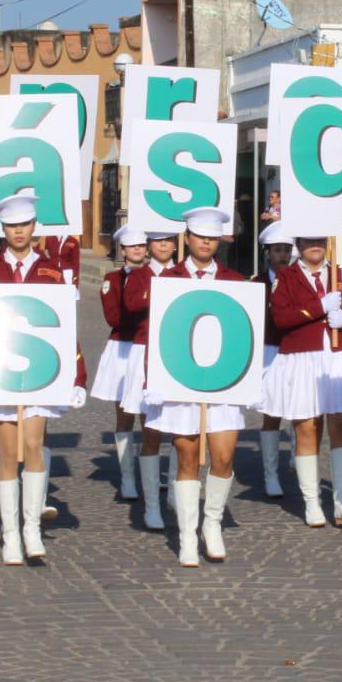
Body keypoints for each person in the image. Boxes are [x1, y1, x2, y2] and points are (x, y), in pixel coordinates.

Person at [0, 194, 87, 564]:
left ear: (34, 228)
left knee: (34, 444)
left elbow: (65, 329)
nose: (19, 231)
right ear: (3, 229)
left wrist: (78, 374)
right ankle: (10, 531)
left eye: (25, 225)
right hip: (0, 371)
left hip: (41, 372)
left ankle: (31, 528)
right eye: (12, 226)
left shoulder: (50, 272)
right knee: (8, 453)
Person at [144, 207, 247, 566]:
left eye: (213, 236)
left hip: (224, 383)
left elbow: (245, 334)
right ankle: (187, 536)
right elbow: (156, 335)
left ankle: (212, 524)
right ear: (187, 238)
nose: (206, 241)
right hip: (179, 379)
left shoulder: (235, 281)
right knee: (187, 457)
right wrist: (152, 380)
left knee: (224, 456)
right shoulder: (168, 278)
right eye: (200, 235)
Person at [266, 234, 342, 530]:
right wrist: (319, 307)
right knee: (307, 428)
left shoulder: (341, 276)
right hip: (303, 357)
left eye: (320, 240)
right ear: (299, 242)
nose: (315, 245)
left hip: (337, 356)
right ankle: (311, 502)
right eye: (309, 240)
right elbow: (281, 319)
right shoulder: (286, 277)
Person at [120, 230, 181, 530]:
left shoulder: (183, 273)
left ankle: (174, 492)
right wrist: (159, 290)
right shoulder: (139, 275)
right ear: (149, 246)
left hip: (177, 352)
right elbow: (130, 306)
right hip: (145, 351)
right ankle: (151, 505)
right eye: (158, 241)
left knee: (183, 428)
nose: (164, 246)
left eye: (169, 241)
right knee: (151, 430)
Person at [90, 224, 150, 501]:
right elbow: (114, 317)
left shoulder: (154, 276)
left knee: (150, 415)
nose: (138, 250)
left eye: (141, 245)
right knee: (124, 415)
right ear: (122, 250)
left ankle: (151, 473)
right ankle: (127, 477)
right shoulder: (112, 279)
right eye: (132, 246)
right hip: (122, 348)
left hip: (146, 346)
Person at [254, 222, 295, 498]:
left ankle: (296, 452)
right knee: (272, 413)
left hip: (294, 350)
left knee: (300, 408)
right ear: (267, 253)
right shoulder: (257, 283)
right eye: (277, 250)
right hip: (269, 351)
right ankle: (270, 474)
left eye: (286, 250)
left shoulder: (296, 279)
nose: (282, 255)